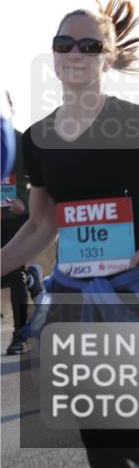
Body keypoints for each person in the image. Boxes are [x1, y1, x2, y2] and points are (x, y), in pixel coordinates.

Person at [0, 0, 139, 468]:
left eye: (88, 46)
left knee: (122, 424)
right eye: (64, 43)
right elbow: (42, 223)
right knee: (97, 437)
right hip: (73, 292)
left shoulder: (134, 122)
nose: (74, 53)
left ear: (106, 58)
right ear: (53, 53)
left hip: (130, 286)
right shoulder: (37, 138)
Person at [1, 91, 31, 355]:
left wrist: (25, 203)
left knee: (15, 275)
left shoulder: (21, 142)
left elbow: (42, 183)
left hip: (14, 219)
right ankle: (36, 280)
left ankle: (20, 335)